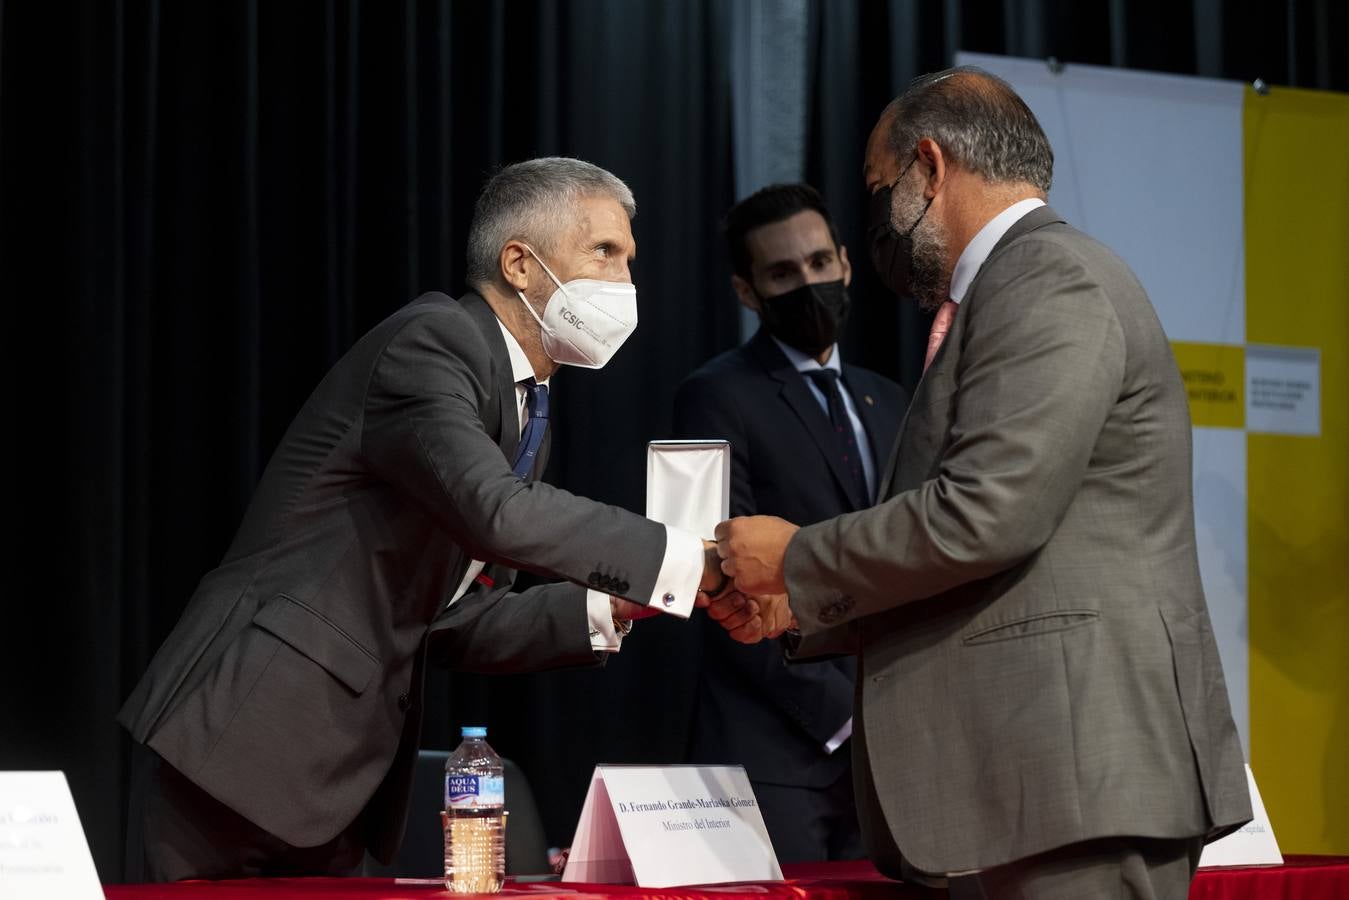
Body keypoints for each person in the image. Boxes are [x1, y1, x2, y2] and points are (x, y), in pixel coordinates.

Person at [709, 69, 1251, 899]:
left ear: (929, 167)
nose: (879, 222)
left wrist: (797, 557)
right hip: (1037, 783)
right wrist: (802, 607)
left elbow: (984, 515)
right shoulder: (1007, 290)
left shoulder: (1047, 279)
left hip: (1076, 776)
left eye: (881, 189)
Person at [119, 157, 730, 882]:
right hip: (241, 741)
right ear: (520, 264)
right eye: (604, 252)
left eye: (629, 257)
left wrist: (614, 603)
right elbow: (498, 514)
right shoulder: (432, 343)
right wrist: (686, 561)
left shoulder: (524, 405)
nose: (626, 279)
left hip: (338, 777)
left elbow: (451, 619)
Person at [672, 184, 907, 862]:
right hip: (772, 755)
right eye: (782, 273)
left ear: (844, 263)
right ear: (747, 292)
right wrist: (844, 715)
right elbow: (715, 583)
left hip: (892, 758)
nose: (807, 282)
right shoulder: (713, 396)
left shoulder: (889, 400)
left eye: (817, 263)